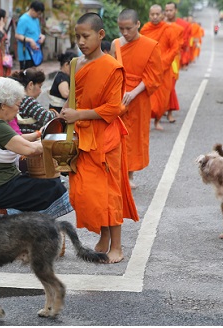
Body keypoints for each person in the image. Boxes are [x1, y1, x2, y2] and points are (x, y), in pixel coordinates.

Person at [61, 12, 139, 264]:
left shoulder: (112, 67)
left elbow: (113, 108)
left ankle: (116, 246)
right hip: (82, 135)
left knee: (110, 191)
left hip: (106, 136)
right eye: (77, 37)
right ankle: (103, 237)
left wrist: (78, 114)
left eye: (86, 36)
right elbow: (75, 99)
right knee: (85, 192)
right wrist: (64, 113)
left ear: (101, 35)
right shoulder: (75, 64)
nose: (81, 41)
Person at [0, 77, 72, 218]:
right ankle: (36, 226)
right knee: (51, 185)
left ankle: (33, 225)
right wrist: (58, 140)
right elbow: (29, 149)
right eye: (17, 105)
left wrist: (39, 134)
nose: (17, 111)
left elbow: (18, 140)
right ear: (4, 104)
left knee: (46, 184)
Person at [110, 8, 162, 189]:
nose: (125, 33)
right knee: (114, 134)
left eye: (129, 28)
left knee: (133, 137)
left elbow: (153, 76)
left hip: (138, 98)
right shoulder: (116, 44)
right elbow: (110, 70)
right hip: (118, 96)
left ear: (138, 24)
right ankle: (115, 173)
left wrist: (133, 92)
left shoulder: (151, 45)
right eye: (121, 28)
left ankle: (129, 175)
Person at [140, 4, 180, 130]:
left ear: (162, 15)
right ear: (149, 15)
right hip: (148, 69)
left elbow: (175, 48)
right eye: (152, 14)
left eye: (157, 14)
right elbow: (140, 46)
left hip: (164, 68)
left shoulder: (168, 30)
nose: (155, 17)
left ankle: (157, 120)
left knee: (162, 98)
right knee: (146, 97)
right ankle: (145, 121)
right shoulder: (145, 30)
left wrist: (163, 62)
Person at [10, 68, 58, 134]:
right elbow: (48, 117)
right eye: (39, 86)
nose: (40, 91)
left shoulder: (20, 99)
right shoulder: (28, 101)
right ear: (31, 85)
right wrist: (55, 113)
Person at [164, 2, 186, 124]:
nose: (168, 13)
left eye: (171, 10)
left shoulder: (179, 28)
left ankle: (170, 112)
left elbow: (180, 44)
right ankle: (161, 109)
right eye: (166, 10)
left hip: (172, 61)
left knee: (170, 85)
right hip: (160, 59)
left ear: (175, 11)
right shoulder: (160, 26)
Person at [15, 1, 46, 70]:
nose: (39, 16)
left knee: (33, 75)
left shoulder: (36, 20)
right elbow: (17, 35)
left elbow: (38, 33)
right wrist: (30, 40)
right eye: (38, 13)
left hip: (35, 52)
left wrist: (42, 36)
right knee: (26, 76)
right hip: (26, 53)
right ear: (32, 9)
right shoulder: (23, 19)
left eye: (40, 14)